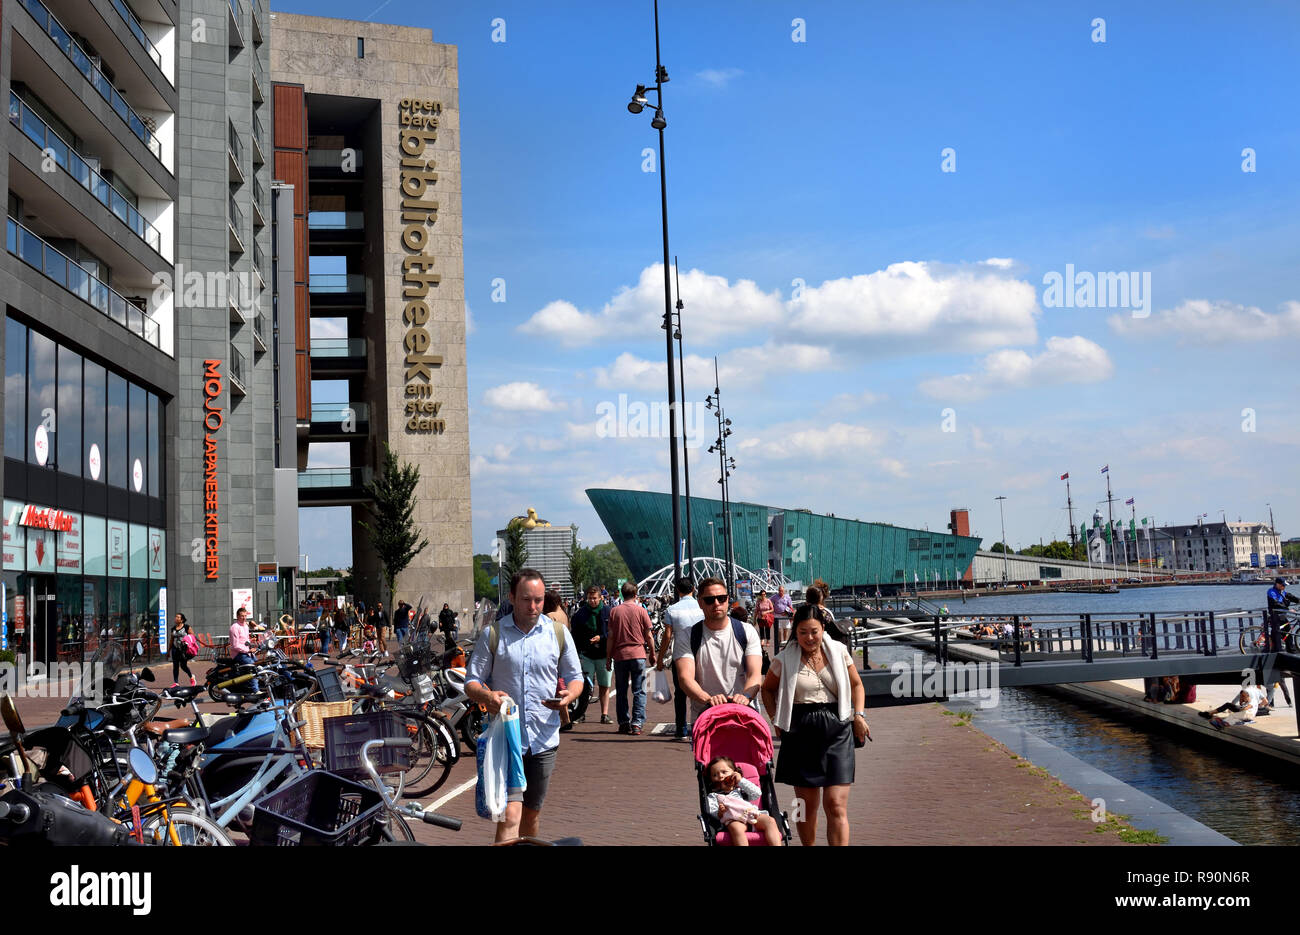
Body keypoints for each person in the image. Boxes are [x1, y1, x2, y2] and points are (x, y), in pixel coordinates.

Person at [464, 569, 583, 843]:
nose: (533, 606)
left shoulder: (557, 633)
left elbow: (576, 677)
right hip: (506, 739)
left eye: (539, 600)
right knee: (510, 815)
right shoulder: (493, 634)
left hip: (543, 739)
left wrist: (569, 696)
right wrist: (488, 696)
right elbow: (472, 682)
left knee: (531, 814)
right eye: (526, 599)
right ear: (512, 597)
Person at [761, 604, 868, 846]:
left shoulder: (839, 651)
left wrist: (859, 715)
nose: (809, 638)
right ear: (795, 633)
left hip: (837, 729)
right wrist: (775, 718)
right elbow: (766, 689)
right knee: (804, 806)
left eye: (814, 631)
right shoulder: (784, 658)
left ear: (823, 629)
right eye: (802, 632)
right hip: (800, 731)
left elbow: (857, 685)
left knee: (836, 804)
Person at [676, 578, 763, 724]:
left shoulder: (746, 631)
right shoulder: (687, 635)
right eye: (710, 600)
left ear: (728, 600)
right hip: (706, 717)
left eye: (721, 598)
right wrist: (709, 700)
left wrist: (746, 696)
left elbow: (755, 674)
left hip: (743, 716)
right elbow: (685, 679)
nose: (716, 603)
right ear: (700, 603)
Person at [605, 581, 656, 735]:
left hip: (620, 655)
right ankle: (637, 723)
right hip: (638, 655)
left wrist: (608, 658)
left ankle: (623, 722)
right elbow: (649, 635)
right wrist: (653, 654)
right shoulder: (641, 611)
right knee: (639, 691)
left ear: (621, 594)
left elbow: (611, 637)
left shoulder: (615, 611)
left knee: (621, 691)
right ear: (635, 595)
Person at [655, 577, 702, 741]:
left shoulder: (672, 610)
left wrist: (660, 659)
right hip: (701, 657)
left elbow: (667, 637)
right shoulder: (702, 608)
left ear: (677, 591)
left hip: (680, 657)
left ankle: (681, 730)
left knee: (680, 694)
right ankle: (700, 728)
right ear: (694, 589)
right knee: (701, 692)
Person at [704, 756, 782, 847]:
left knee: (770, 821)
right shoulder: (713, 796)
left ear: (734, 773)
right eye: (715, 775)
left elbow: (756, 793)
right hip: (734, 820)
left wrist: (741, 780)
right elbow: (711, 811)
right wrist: (719, 812)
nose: (720, 776)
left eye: (724, 772)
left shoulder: (740, 790)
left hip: (751, 815)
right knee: (735, 828)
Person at [570, 586, 613, 724]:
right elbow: (575, 635)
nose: (592, 601)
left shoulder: (608, 612)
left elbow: (613, 632)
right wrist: (577, 653)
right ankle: (581, 713)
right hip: (586, 654)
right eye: (590, 598)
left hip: (604, 654)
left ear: (601, 597)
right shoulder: (580, 614)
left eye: (595, 598)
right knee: (584, 686)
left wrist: (601, 637)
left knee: (604, 685)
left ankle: (604, 714)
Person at [1199, 685, 1268, 730]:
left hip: (1247, 712)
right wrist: (1257, 707)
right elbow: (1265, 701)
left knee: (1231, 712)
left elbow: (1238, 702)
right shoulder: (1257, 691)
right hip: (1251, 711)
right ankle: (1223, 723)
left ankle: (1221, 721)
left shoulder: (1245, 691)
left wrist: (1241, 707)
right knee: (1235, 717)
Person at [229, 607, 261, 693]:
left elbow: (245, 641)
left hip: (247, 652)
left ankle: (259, 685)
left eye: (245, 616)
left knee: (260, 665)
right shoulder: (234, 627)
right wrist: (248, 651)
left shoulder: (246, 626)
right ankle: (255, 690)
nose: (244, 618)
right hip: (238, 653)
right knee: (252, 667)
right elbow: (235, 645)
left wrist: (252, 644)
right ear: (237, 616)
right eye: (242, 616)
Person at [169, 613, 197, 687]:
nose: (176, 618)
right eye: (176, 617)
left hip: (184, 649)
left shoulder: (186, 627)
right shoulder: (173, 628)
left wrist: (187, 641)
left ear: (182, 620)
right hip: (175, 649)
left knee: (183, 666)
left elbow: (192, 637)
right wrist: (169, 651)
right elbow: (171, 640)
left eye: (178, 617)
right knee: (175, 666)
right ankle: (176, 682)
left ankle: (191, 677)